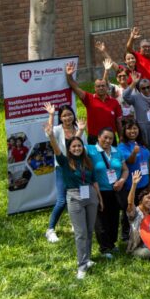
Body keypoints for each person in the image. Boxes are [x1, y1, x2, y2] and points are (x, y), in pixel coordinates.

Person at [44, 125, 102, 279]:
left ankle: (87, 259)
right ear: (69, 149)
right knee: (80, 233)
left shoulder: (88, 161)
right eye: (74, 146)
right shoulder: (64, 161)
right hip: (74, 197)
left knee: (89, 230)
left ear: (83, 147)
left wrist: (99, 198)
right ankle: (81, 266)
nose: (77, 148)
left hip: (91, 196)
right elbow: (57, 149)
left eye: (79, 146)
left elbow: (94, 181)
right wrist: (51, 136)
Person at [43, 103, 87, 243]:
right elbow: (49, 133)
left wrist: (80, 131)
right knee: (62, 200)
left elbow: (82, 147)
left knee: (78, 197)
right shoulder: (57, 129)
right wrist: (51, 115)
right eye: (64, 116)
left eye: (69, 114)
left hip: (78, 168)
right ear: (60, 118)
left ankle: (75, 223)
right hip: (62, 168)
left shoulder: (79, 128)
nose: (67, 118)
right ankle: (50, 230)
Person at [87, 127, 129, 258]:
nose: (107, 140)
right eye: (105, 137)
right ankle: (104, 248)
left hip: (115, 191)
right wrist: (80, 130)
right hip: (99, 191)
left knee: (113, 218)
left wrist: (121, 181)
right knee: (101, 220)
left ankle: (112, 243)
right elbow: (73, 147)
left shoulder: (117, 151)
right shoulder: (91, 150)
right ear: (99, 137)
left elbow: (125, 169)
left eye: (110, 138)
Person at [66, 61, 123, 144]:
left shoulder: (114, 102)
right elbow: (75, 87)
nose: (101, 88)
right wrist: (69, 75)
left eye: (103, 86)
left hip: (110, 138)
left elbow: (118, 122)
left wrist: (121, 137)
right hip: (94, 138)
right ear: (95, 88)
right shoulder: (88, 98)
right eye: (98, 86)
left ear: (107, 87)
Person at [117, 120, 150, 242]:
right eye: (129, 129)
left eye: (135, 128)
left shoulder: (143, 144)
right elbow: (130, 162)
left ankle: (142, 230)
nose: (132, 131)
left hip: (144, 182)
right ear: (124, 131)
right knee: (129, 208)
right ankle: (126, 234)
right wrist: (134, 152)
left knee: (142, 208)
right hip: (130, 184)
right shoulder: (122, 147)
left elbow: (148, 162)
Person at [123, 71, 150, 178]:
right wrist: (133, 83)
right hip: (141, 130)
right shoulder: (136, 98)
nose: (146, 90)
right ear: (140, 89)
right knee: (143, 153)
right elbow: (125, 96)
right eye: (143, 88)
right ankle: (145, 176)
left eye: (148, 87)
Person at [125, 170, 150, 259]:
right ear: (141, 199)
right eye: (148, 197)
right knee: (147, 253)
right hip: (138, 246)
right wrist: (134, 184)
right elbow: (130, 202)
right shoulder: (135, 212)